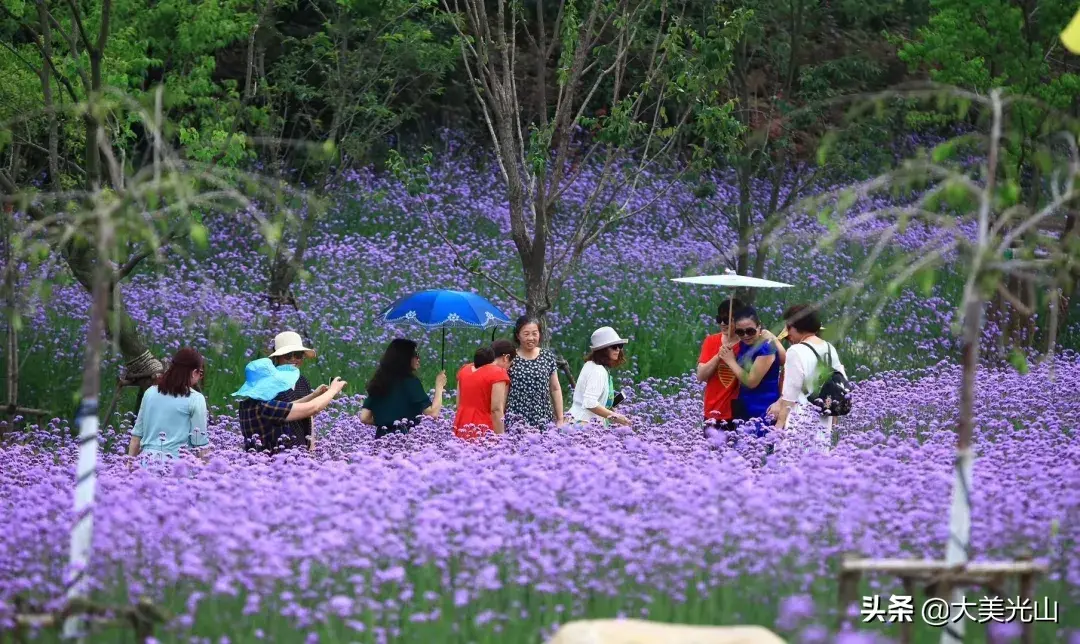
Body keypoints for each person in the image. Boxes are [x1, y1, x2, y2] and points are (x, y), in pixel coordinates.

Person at [766, 304, 847, 453]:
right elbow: (840, 382)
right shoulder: (829, 347)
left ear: (794, 327)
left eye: (788, 327)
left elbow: (790, 395)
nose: (788, 333)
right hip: (824, 416)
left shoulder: (796, 351)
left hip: (801, 416)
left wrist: (779, 425)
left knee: (793, 460)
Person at [234, 358, 346, 454]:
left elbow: (288, 407)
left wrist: (313, 395)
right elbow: (313, 408)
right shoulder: (266, 408)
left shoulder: (246, 406)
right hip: (276, 466)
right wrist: (333, 390)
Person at [127, 347, 209, 460]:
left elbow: (136, 436)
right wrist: (210, 467)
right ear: (194, 372)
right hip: (177, 465)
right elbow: (199, 443)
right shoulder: (196, 399)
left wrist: (129, 464)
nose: (200, 378)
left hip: (146, 463)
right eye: (201, 373)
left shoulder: (150, 393)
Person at [360, 339, 447, 437]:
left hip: (381, 439)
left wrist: (386, 422)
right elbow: (432, 413)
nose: (418, 358)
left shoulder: (379, 381)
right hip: (406, 439)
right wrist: (439, 386)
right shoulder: (411, 382)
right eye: (415, 355)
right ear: (405, 358)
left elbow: (364, 417)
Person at [719, 306, 787, 424]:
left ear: (759, 326)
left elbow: (751, 382)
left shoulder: (766, 348)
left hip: (763, 407)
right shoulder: (744, 344)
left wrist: (731, 361)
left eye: (750, 331)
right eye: (740, 332)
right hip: (745, 404)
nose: (745, 335)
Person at [506, 315, 565, 429]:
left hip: (543, 416)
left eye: (534, 333)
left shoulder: (547, 356)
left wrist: (560, 418)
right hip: (516, 418)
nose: (531, 338)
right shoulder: (511, 358)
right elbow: (504, 390)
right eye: (526, 334)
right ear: (518, 335)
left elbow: (555, 388)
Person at [696, 298, 744, 433]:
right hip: (712, 411)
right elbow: (700, 376)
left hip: (737, 413)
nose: (722, 323)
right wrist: (718, 356)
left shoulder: (746, 344)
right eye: (719, 319)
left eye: (727, 320)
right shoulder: (711, 341)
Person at [567, 327, 631, 427]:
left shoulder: (590, 365)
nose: (618, 349)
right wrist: (616, 417)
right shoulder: (598, 371)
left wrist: (608, 406)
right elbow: (589, 403)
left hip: (574, 420)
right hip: (584, 425)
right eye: (614, 346)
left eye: (620, 346)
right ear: (603, 350)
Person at [269, 331, 320, 451]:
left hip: (302, 445)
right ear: (278, 357)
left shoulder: (303, 381)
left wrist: (312, 445)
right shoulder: (269, 380)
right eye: (288, 355)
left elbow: (309, 414)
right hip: (277, 446)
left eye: (297, 355)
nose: (293, 359)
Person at [453, 340, 514, 440]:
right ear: (506, 358)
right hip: (483, 429)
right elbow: (496, 409)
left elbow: (458, 404)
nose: (508, 368)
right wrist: (501, 437)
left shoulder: (464, 369)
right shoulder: (498, 373)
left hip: (461, 426)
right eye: (510, 364)